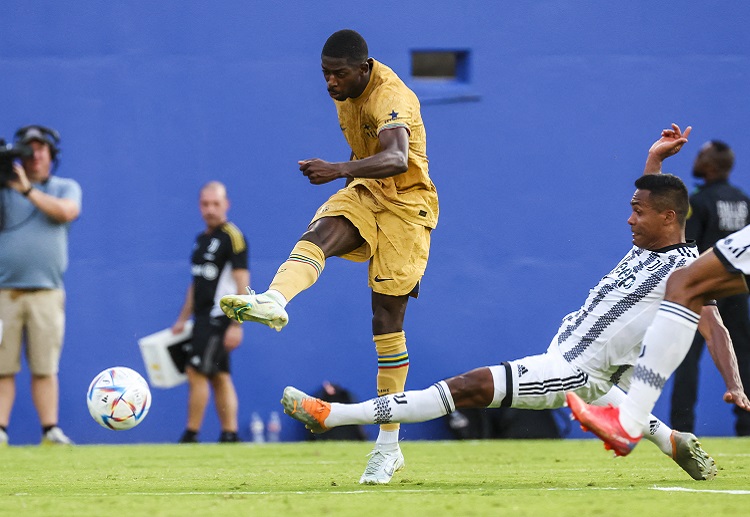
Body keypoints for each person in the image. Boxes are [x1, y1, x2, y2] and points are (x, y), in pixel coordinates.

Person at [280, 124, 745, 482]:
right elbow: (658, 195)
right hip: (579, 364)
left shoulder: (687, 273)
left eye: (638, 212)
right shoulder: (651, 244)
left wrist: (735, 384)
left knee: (466, 387)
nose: (628, 218)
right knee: (601, 390)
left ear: (668, 218)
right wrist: (656, 157)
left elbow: (716, 328)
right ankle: (672, 441)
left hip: (573, 369)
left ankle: (332, 415)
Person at [220, 29, 438, 483]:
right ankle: (275, 300)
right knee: (322, 231)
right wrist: (346, 183)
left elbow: (397, 157)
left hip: (408, 208)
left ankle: (388, 445)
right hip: (365, 191)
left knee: (386, 321)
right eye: (324, 74)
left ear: (364, 68)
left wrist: (338, 169)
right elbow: (365, 153)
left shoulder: (392, 95)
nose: (330, 83)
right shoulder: (347, 92)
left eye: (338, 74)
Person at [0, 125, 82, 446]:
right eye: (28, 150)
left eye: (41, 150)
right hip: (4, 292)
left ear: (51, 155)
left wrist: (27, 191)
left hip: (46, 292)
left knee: (45, 366)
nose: (35, 157)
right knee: (2, 367)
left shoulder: (64, 187)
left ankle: (50, 429)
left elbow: (67, 212)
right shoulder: (4, 190)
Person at [670, 140, 750, 436]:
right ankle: (746, 425)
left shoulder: (699, 202)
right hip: (737, 290)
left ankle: (682, 428)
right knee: (743, 356)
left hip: (703, 292)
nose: (697, 159)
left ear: (713, 164)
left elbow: (686, 248)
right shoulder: (743, 200)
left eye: (702, 155)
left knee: (687, 360)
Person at [172, 181, 248, 443]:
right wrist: (183, 319)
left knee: (196, 372)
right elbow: (196, 284)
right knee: (219, 375)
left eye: (215, 204)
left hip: (220, 316)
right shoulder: (201, 240)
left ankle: (191, 433)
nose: (210, 209)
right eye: (205, 204)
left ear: (226, 205)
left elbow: (242, 281)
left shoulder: (232, 237)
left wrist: (238, 323)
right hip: (202, 318)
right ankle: (230, 433)